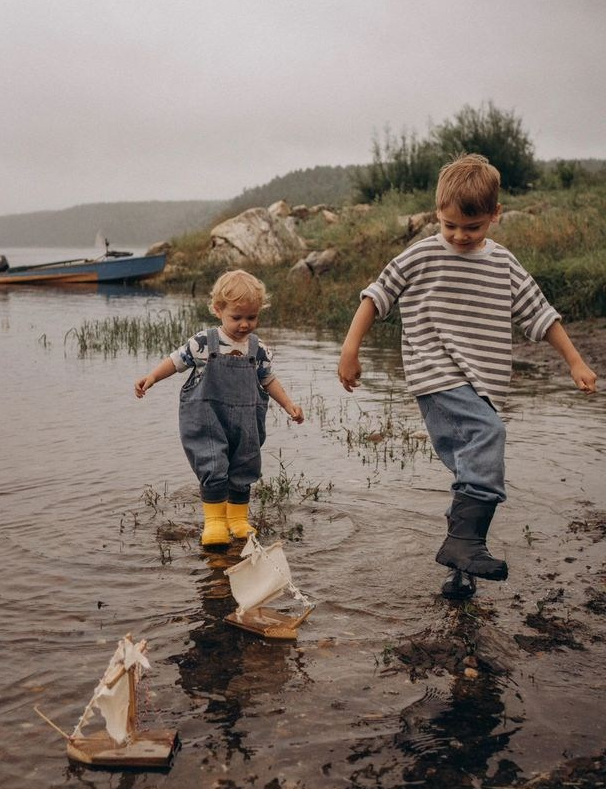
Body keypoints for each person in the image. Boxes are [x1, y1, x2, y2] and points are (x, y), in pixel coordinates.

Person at [338, 153, 597, 599]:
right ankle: (464, 544)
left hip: (484, 383)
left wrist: (575, 361)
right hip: (435, 374)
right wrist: (350, 347)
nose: (459, 235)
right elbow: (376, 296)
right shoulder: (421, 255)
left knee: (471, 469)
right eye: (449, 225)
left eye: (471, 227)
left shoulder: (504, 265)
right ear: (437, 215)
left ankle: (460, 570)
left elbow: (541, 314)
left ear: (495, 216)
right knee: (488, 436)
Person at [135, 269, 304, 547]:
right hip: (207, 418)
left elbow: (268, 379)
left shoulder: (258, 349)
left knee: (244, 465)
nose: (244, 325)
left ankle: (237, 520)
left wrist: (288, 405)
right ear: (217, 310)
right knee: (213, 464)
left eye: (252, 317)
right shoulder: (204, 343)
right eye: (236, 318)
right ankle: (214, 522)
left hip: (246, 420)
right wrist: (151, 377)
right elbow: (176, 361)